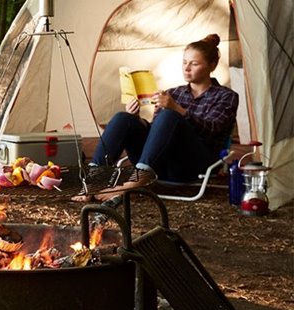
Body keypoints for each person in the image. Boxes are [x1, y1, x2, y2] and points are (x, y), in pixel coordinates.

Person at [79, 34, 239, 201]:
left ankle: (137, 179)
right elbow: (159, 132)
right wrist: (136, 118)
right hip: (159, 163)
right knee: (124, 118)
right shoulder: (173, 93)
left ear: (212, 65)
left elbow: (213, 130)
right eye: (184, 62)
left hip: (194, 165)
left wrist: (177, 109)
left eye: (194, 63)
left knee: (169, 115)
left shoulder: (226, 96)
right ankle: (93, 178)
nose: (187, 68)